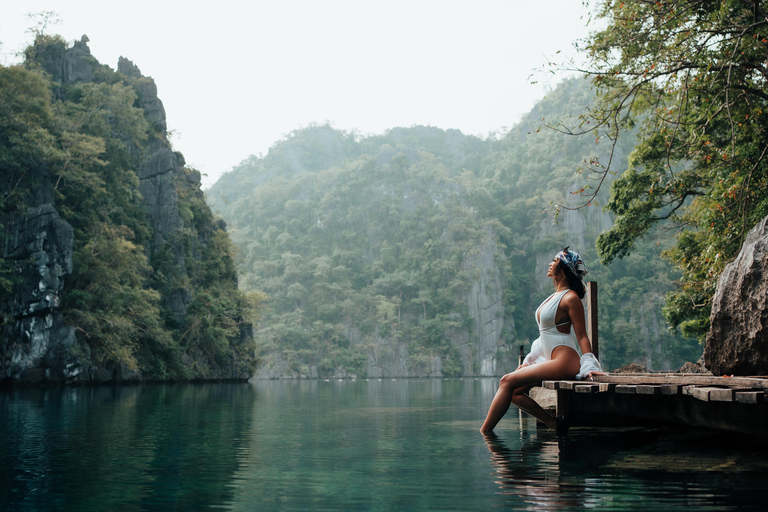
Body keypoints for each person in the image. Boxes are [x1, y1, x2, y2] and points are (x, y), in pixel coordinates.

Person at [480, 247, 604, 435]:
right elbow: (545, 336)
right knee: (514, 392)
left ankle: (484, 433)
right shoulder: (553, 297)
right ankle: (554, 424)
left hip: (565, 360)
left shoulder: (570, 298)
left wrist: (590, 365)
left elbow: (582, 336)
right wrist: (529, 362)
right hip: (549, 359)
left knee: (506, 381)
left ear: (563, 270)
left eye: (554, 260)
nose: (550, 263)